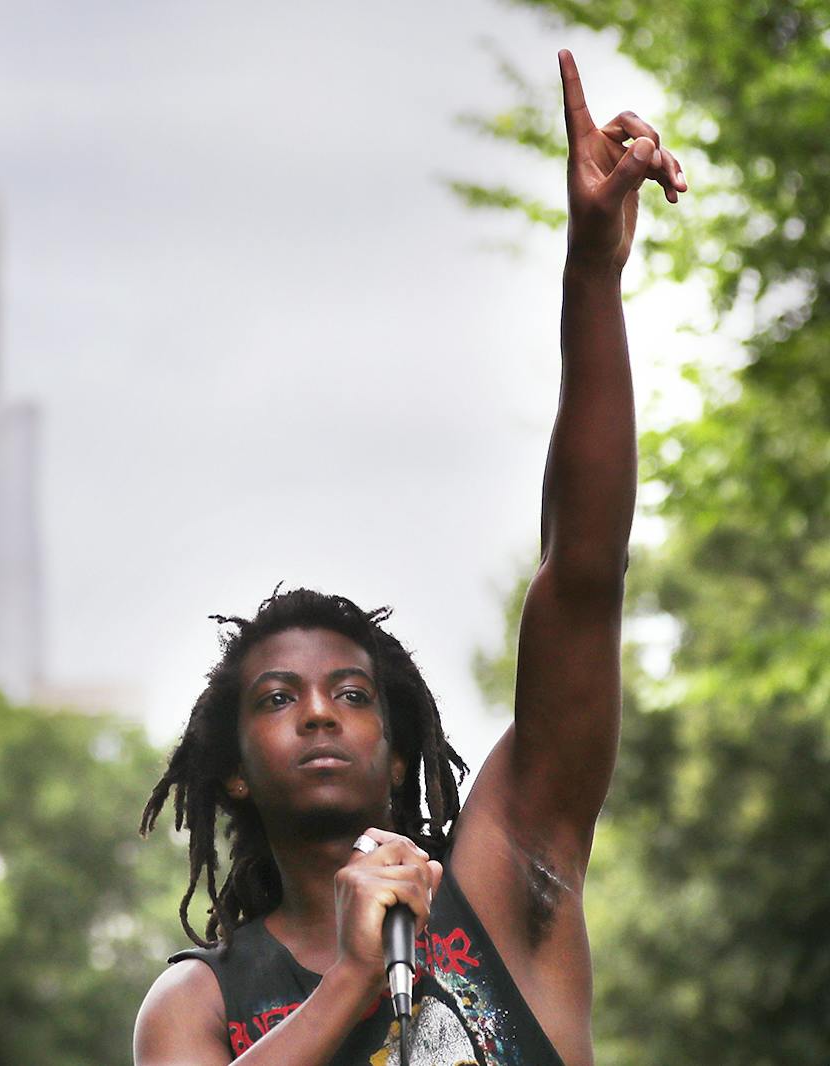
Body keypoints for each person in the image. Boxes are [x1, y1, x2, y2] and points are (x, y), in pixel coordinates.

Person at [132, 50, 687, 1066]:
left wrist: (591, 273)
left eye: (349, 692)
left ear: (396, 752)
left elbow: (582, 576)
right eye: (274, 699)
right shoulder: (197, 1002)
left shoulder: (503, 897)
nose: (313, 711)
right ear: (234, 778)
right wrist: (350, 978)